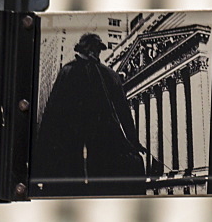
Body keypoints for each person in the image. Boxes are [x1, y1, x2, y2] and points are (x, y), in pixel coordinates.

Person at [33, 33, 148, 195]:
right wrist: (133, 141)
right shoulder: (105, 74)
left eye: (97, 49)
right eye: (94, 49)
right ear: (88, 49)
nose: (96, 53)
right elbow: (124, 114)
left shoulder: (74, 71)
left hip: (86, 143)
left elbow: (52, 115)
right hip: (87, 143)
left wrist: (134, 141)